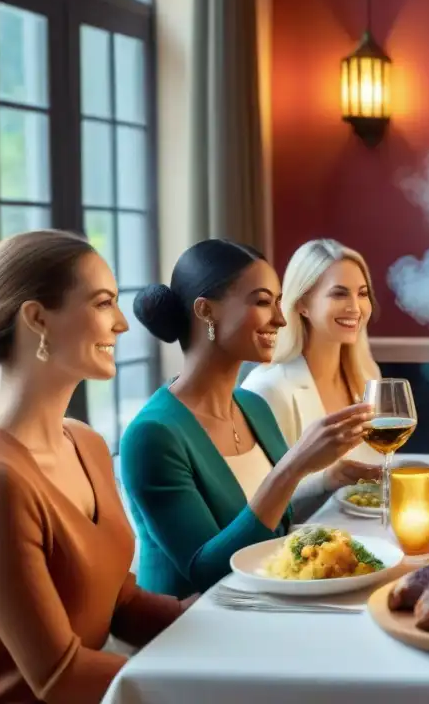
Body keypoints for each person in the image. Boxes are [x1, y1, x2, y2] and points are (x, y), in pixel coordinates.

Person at [119, 239, 373, 599]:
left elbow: (278, 531)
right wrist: (294, 466)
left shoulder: (254, 407)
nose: (281, 319)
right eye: (262, 301)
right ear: (206, 311)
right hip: (191, 629)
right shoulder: (153, 436)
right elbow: (208, 573)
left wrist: (324, 478)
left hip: (264, 605)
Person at [0, 230, 188, 704]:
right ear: (37, 319)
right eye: (104, 303)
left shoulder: (87, 443)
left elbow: (118, 603)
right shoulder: (1, 480)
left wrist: (221, 618)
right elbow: (58, 677)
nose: (122, 323)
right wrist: (204, 685)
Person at [242, 239, 382, 512]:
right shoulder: (266, 390)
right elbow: (252, 505)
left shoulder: (367, 374)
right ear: (302, 304)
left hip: (369, 534)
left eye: (362, 293)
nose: (355, 307)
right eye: (339, 294)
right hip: (301, 546)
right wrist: (325, 481)